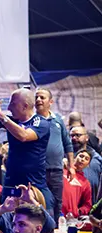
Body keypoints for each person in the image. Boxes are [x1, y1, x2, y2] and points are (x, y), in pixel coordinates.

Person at [35, 88, 75, 222]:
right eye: (36, 97)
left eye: (42, 97)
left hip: (57, 170)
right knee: (39, 203)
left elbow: (67, 143)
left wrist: (71, 166)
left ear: (50, 101)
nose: (38, 100)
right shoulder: (32, 120)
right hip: (38, 171)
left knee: (57, 202)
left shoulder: (57, 119)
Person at [61, 149, 92, 217]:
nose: (83, 159)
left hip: (70, 218)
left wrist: (79, 212)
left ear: (88, 165)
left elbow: (88, 204)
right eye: (81, 156)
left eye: (86, 159)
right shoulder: (61, 170)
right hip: (54, 211)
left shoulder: (86, 183)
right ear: (74, 158)